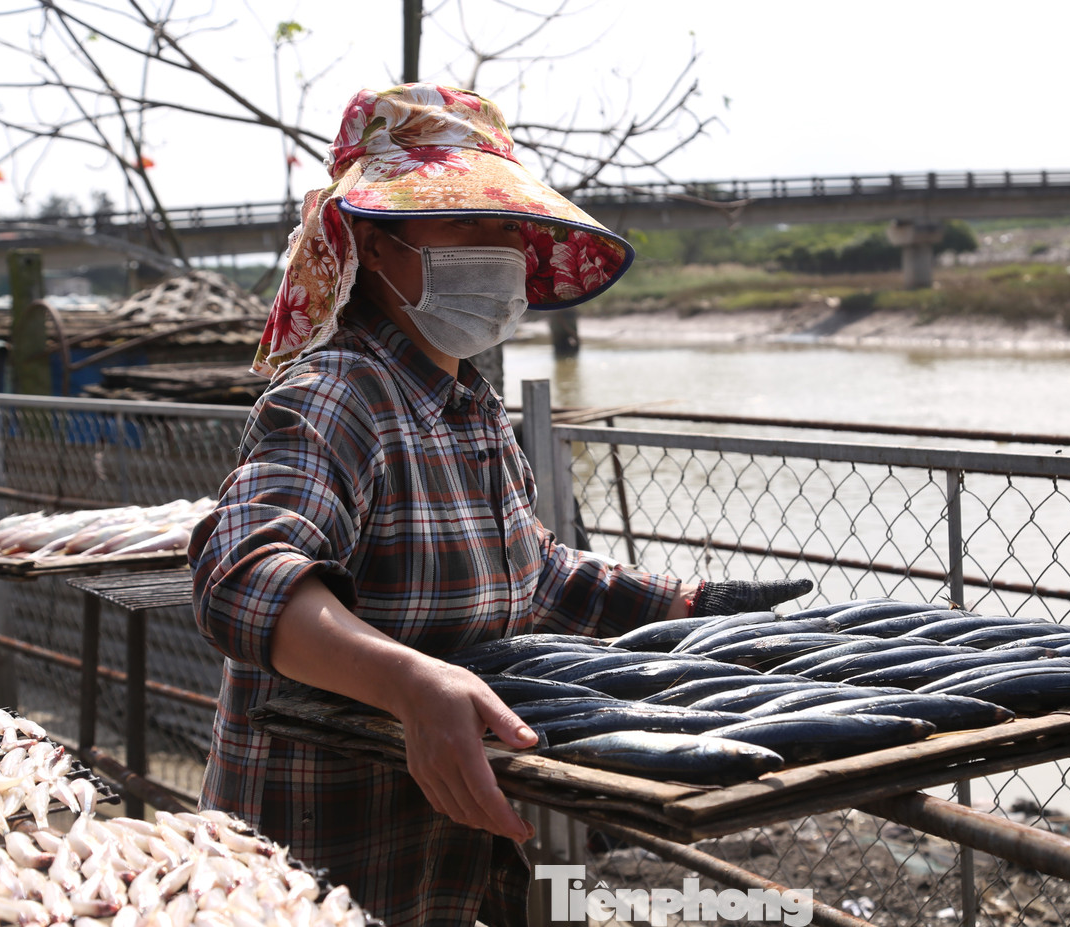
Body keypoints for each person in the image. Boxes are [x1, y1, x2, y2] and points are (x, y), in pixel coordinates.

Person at [188, 83, 811, 927]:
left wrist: (688, 605)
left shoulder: (467, 403)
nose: (500, 251)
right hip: (321, 847)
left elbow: (536, 570)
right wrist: (409, 681)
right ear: (374, 243)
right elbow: (245, 576)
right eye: (465, 225)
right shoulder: (340, 395)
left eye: (505, 227)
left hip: (444, 844)